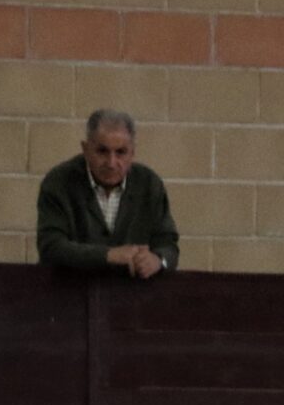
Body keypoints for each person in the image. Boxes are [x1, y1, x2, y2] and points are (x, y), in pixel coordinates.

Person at [35, 109, 179, 278]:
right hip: (69, 292)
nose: (111, 163)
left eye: (121, 152)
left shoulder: (149, 184)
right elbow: (51, 247)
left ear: (133, 152)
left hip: (133, 294)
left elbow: (169, 245)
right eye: (102, 151)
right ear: (86, 149)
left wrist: (158, 261)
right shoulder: (59, 182)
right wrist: (108, 256)